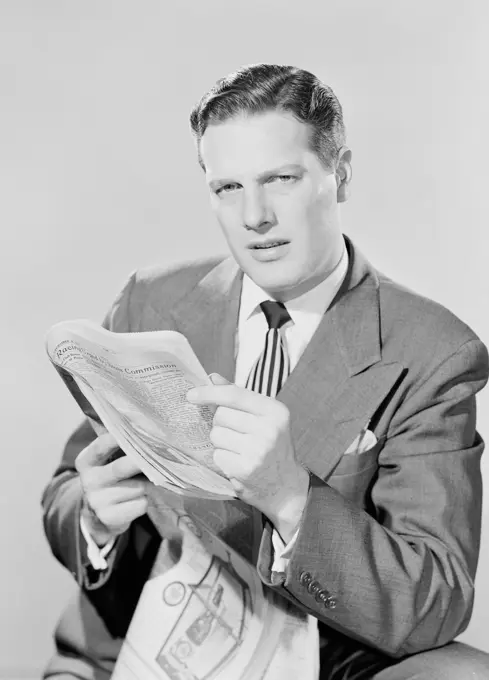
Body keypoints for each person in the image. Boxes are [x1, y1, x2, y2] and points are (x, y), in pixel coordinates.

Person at [42, 64, 489, 679]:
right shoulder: (150, 299)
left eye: (280, 179)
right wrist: (93, 515)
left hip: (320, 659)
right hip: (145, 644)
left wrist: (291, 496)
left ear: (342, 175)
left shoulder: (434, 351)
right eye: (228, 188)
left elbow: (436, 598)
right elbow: (67, 487)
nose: (254, 216)